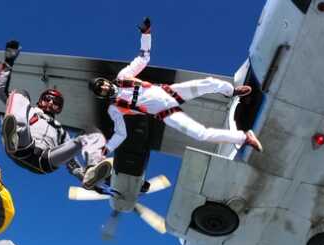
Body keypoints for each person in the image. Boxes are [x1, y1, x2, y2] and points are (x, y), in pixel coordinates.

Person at [89, 17, 263, 160]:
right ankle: (244, 137)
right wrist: (106, 150)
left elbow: (143, 59)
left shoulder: (123, 77)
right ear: (101, 95)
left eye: (102, 83)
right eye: (100, 89)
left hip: (170, 91)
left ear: (105, 80)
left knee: (208, 83)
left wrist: (146, 35)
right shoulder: (114, 108)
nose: (104, 87)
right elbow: (120, 133)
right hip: (166, 113)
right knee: (200, 134)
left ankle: (231, 91)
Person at [0, 40, 113, 189]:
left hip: (46, 159)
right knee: (19, 93)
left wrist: (83, 176)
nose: (50, 103)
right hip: (23, 145)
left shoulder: (61, 131)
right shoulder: (29, 110)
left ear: (59, 109)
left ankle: (91, 170)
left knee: (93, 134)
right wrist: (8, 60)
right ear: (40, 101)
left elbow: (71, 161)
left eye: (55, 102)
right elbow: (0, 90)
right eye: (47, 99)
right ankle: (14, 135)